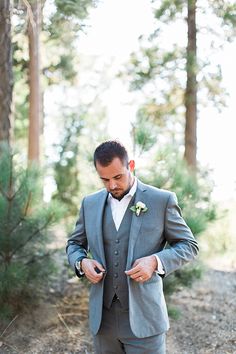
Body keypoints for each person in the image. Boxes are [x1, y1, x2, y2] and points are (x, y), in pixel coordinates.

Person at [66, 140, 199, 354]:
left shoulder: (161, 200)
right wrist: (82, 262)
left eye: (117, 177)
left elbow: (189, 245)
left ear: (131, 166)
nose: (112, 185)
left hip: (146, 319)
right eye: (105, 179)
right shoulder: (89, 204)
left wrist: (156, 261)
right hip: (103, 321)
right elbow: (74, 244)